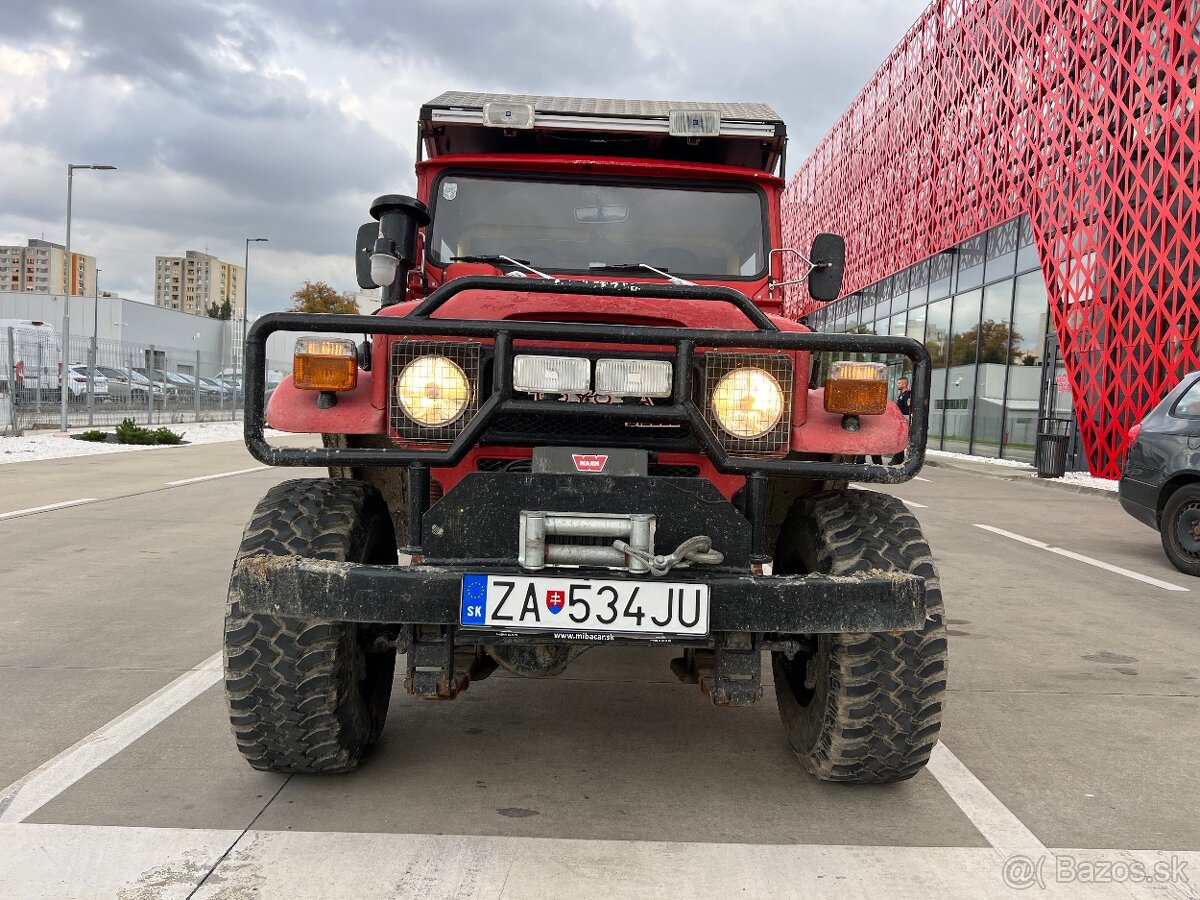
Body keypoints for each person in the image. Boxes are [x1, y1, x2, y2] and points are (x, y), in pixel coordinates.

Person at [891, 376, 912, 464]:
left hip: (904, 417)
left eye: (899, 383)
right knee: (899, 438)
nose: (897, 385)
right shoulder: (902, 394)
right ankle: (898, 458)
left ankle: (898, 458)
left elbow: (908, 407)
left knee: (901, 438)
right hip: (900, 418)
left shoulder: (907, 394)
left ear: (904, 384)